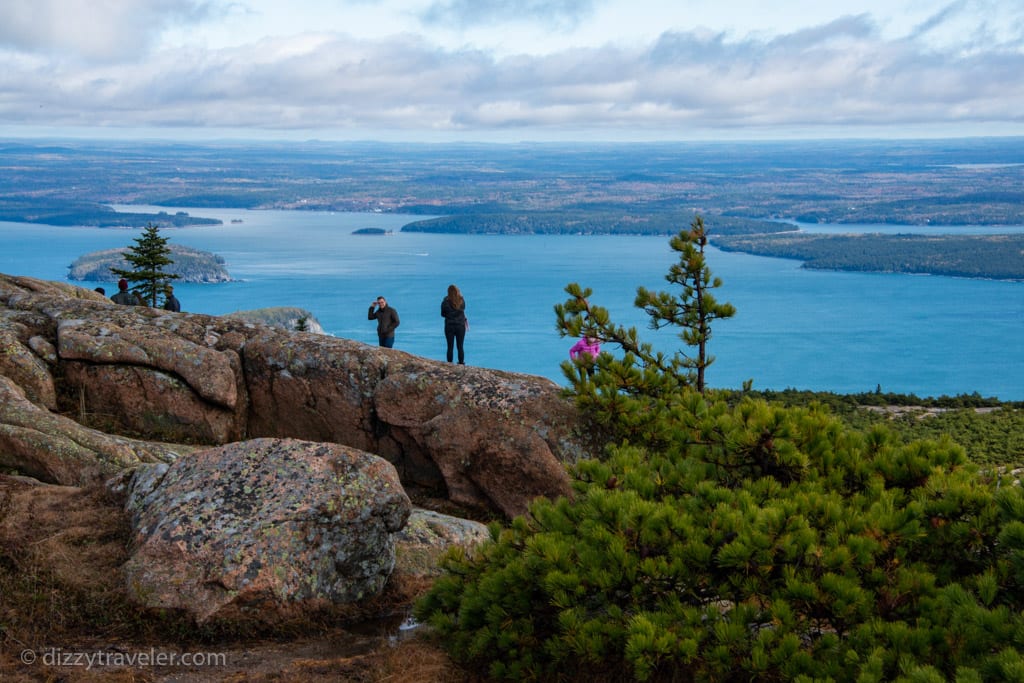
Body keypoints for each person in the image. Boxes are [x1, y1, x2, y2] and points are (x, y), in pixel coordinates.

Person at [440, 284, 468, 364]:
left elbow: (442, 314)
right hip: (460, 325)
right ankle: (461, 363)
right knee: (460, 346)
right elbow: (463, 309)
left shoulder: (445, 302)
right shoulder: (462, 301)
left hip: (449, 325)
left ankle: (449, 363)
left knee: (450, 346)